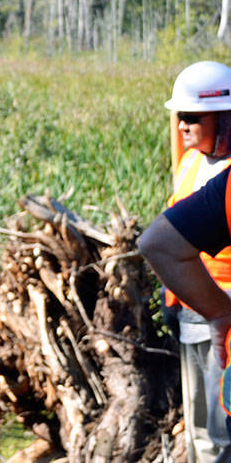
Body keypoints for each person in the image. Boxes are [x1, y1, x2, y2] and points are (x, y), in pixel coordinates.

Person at [140, 61, 231, 463]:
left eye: (193, 117)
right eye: (180, 117)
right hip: (192, 312)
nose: (182, 127)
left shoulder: (228, 180)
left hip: (223, 311)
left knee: (220, 429)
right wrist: (172, 300)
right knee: (197, 428)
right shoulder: (191, 162)